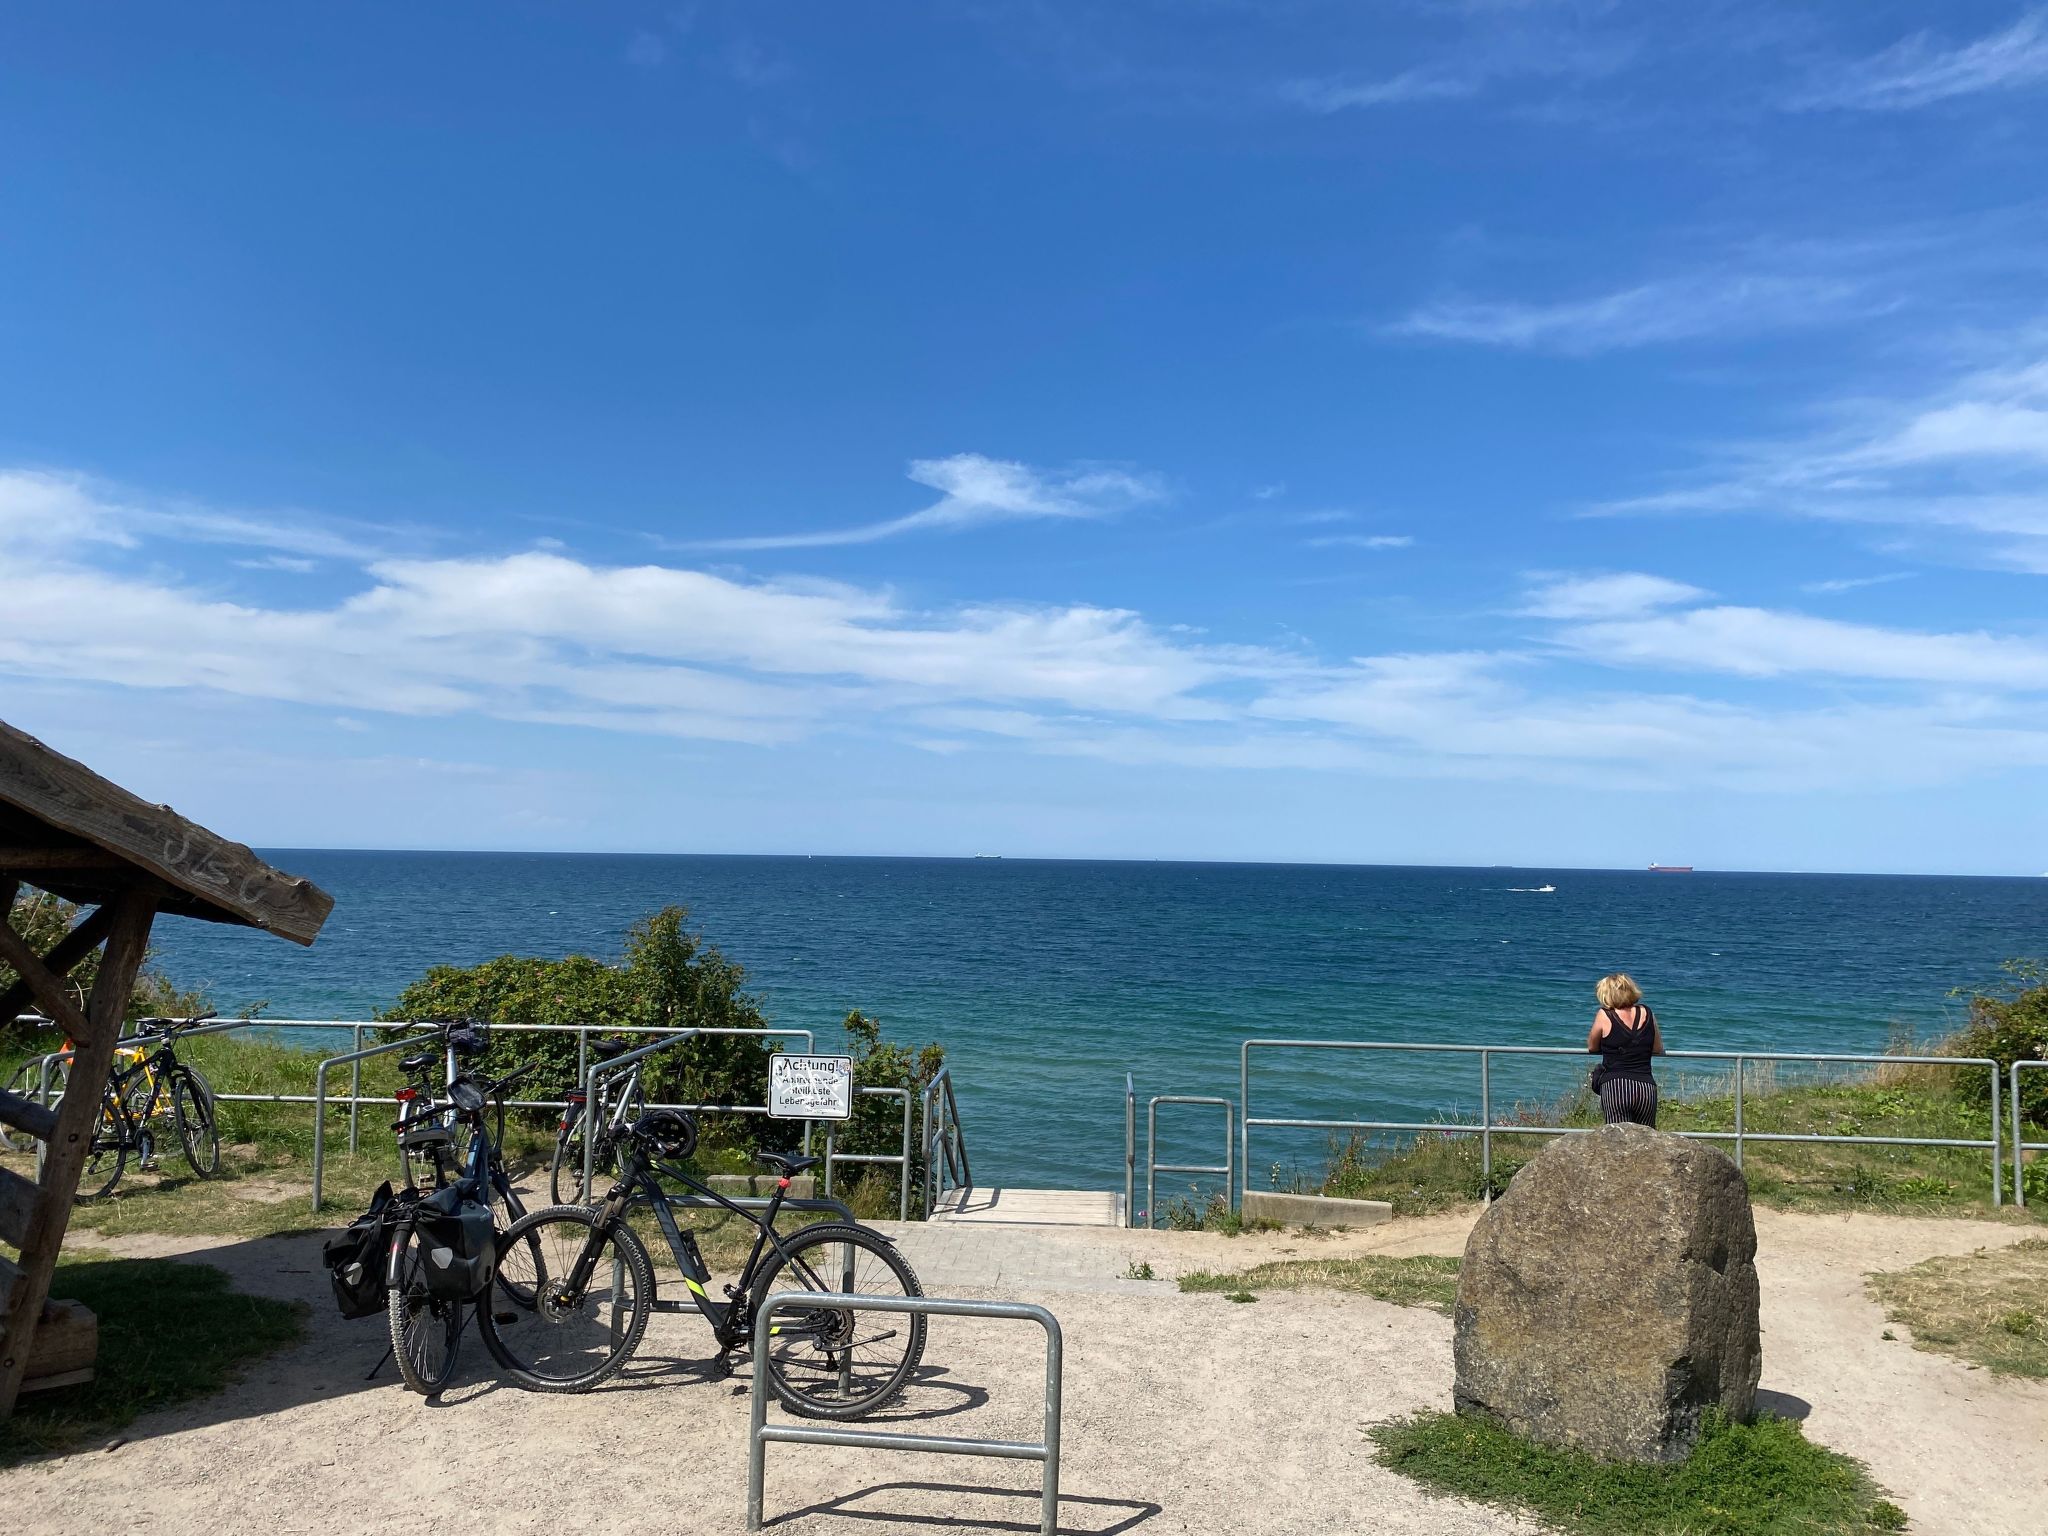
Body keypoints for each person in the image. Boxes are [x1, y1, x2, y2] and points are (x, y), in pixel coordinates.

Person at [1586, 971, 1663, 1126]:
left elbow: (1592, 1047)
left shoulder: (1604, 1015)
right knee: (1645, 1136)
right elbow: (1657, 1048)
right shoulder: (1647, 1012)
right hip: (1645, 1086)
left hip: (1615, 1086)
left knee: (1616, 1136)